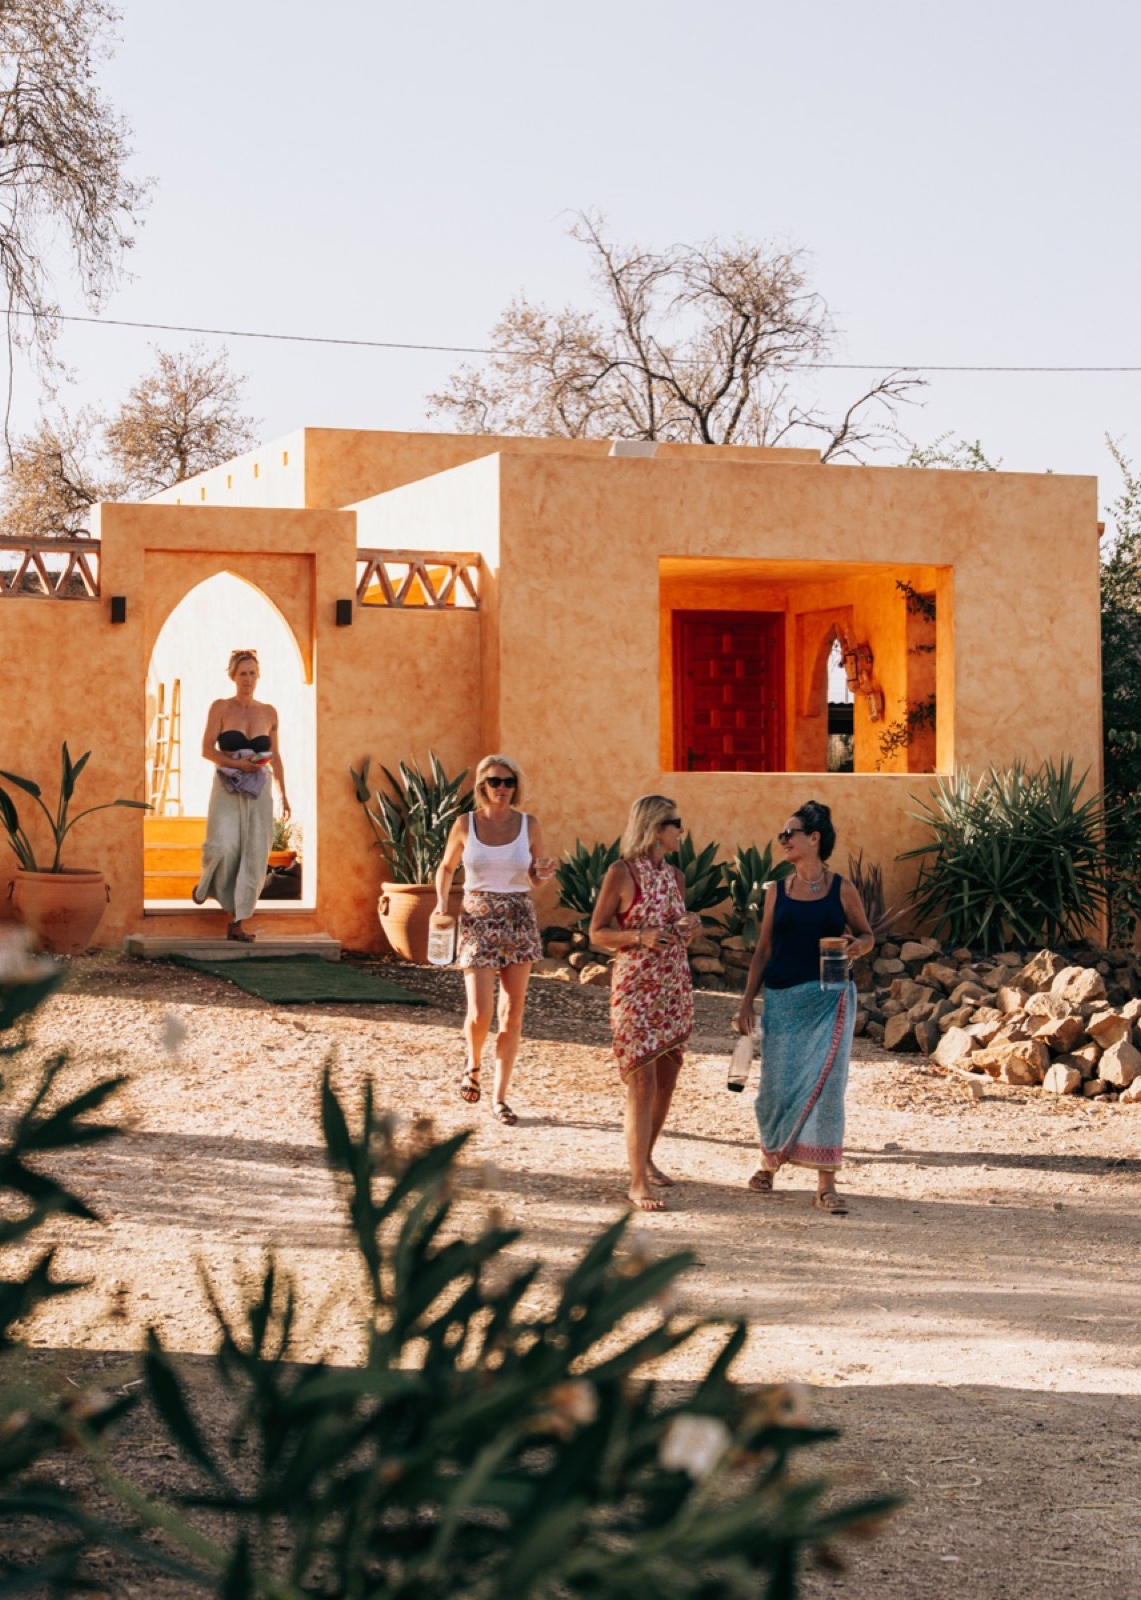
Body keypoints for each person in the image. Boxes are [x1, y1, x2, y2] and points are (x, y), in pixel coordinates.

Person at [734, 800, 874, 1215]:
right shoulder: (777, 891)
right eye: (781, 834)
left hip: (830, 1000)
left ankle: (826, 1185)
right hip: (782, 1000)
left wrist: (857, 948)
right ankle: (769, 1161)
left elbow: (866, 935)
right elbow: (763, 950)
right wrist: (746, 1002)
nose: (782, 840)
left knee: (828, 1089)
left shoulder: (841, 888)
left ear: (814, 838)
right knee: (776, 1088)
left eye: (790, 833)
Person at [589, 796, 700, 1213]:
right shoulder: (620, 873)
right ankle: (637, 1182)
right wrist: (639, 937)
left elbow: (675, 927)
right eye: (676, 822)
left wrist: (690, 927)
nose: (681, 830)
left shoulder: (676, 876)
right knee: (641, 1081)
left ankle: (647, 1156)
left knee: (668, 1078)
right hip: (636, 988)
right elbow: (597, 933)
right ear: (656, 827)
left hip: (673, 986)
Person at [435, 754, 556, 1125]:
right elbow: (446, 867)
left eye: (508, 782)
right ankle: (472, 1064)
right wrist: (441, 905)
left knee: (512, 1014)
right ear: (482, 786)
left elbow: (535, 876)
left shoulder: (528, 824)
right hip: (478, 916)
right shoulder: (464, 824)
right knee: (480, 1011)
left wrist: (543, 874)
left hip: (519, 916)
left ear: (515, 787)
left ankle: (500, 1098)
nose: (502, 788)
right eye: (494, 782)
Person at [191, 649, 290, 942]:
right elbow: (207, 749)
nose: (248, 679)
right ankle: (205, 884)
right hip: (227, 784)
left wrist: (284, 795)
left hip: (259, 789)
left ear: (258, 675)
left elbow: (277, 755)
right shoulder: (220, 708)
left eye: (252, 673)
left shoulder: (269, 712)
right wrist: (236, 764)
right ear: (233, 676)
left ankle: (238, 922)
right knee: (222, 845)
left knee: (254, 853)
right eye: (242, 673)